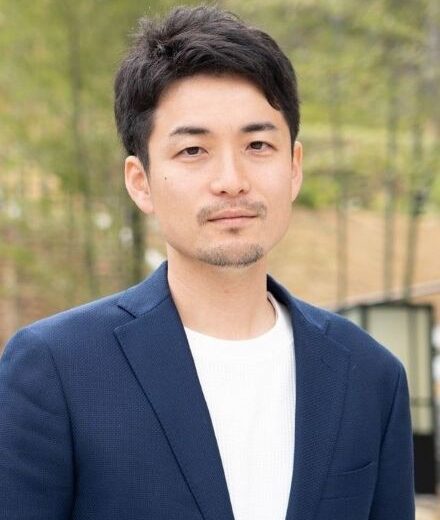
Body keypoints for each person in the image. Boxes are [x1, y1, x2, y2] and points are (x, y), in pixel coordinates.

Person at [0, 5, 415, 520]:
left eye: (258, 145)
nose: (232, 181)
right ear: (140, 181)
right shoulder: (56, 368)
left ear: (294, 168)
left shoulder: (370, 376)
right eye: (194, 151)